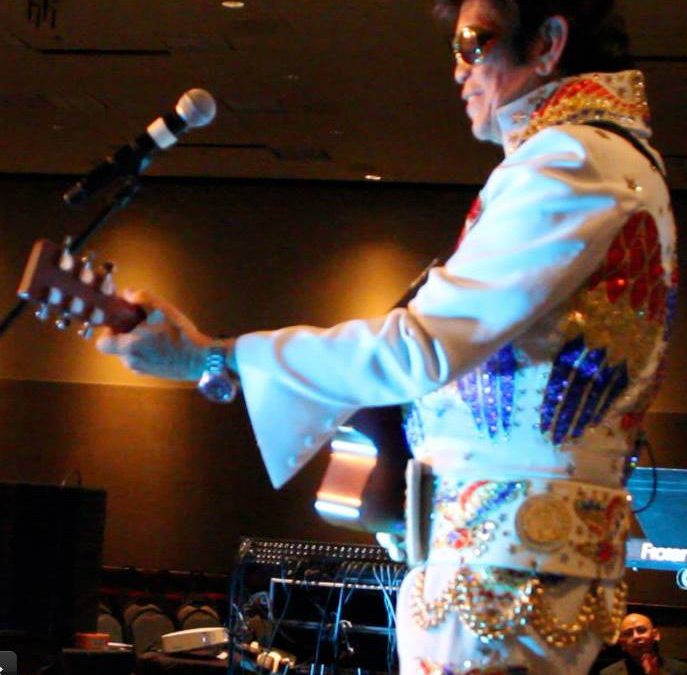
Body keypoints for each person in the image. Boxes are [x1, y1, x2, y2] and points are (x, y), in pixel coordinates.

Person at [96, 0, 678, 673]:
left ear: (548, 43)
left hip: (498, 584)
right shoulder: (621, 162)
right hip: (521, 569)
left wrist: (214, 353)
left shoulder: (570, 159)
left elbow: (420, 348)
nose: (457, 67)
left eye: (473, 42)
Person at [600, 613, 687, 675]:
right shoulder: (609, 673)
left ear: (655, 635)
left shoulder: (680, 670)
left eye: (641, 630)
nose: (636, 637)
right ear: (622, 644)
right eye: (628, 633)